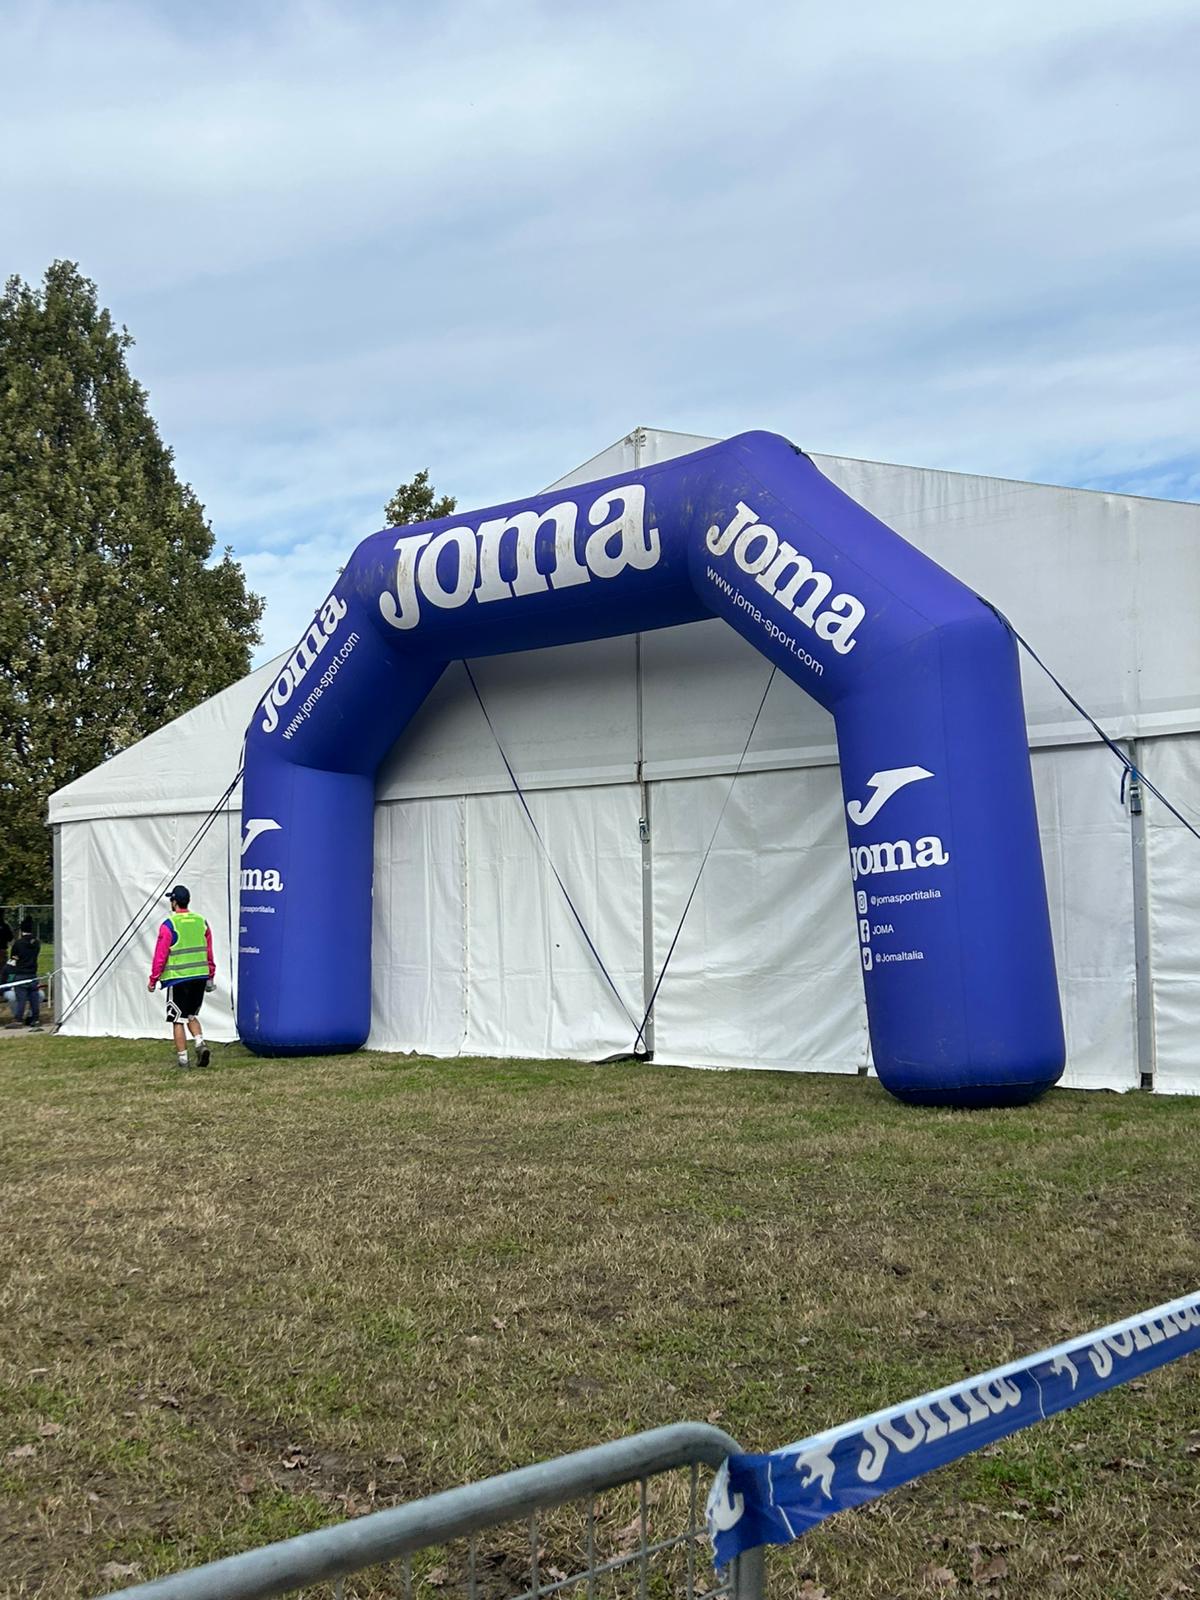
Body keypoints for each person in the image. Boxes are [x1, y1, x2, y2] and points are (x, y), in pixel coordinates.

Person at [148, 884, 215, 1068]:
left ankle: (183, 1060)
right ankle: (200, 1043)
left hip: (179, 979)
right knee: (191, 1015)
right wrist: (211, 974)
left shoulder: (169, 925)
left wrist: (153, 979)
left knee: (177, 1019)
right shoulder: (202, 922)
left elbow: (160, 956)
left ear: (174, 902)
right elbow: (209, 952)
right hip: (200, 977)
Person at [7, 918, 41, 1029]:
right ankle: (35, 1019)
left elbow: (13, 959)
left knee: (21, 998)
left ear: (22, 930)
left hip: (21, 974)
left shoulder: (18, 943)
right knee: (34, 997)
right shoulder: (36, 943)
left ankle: (18, 1019)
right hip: (32, 973)